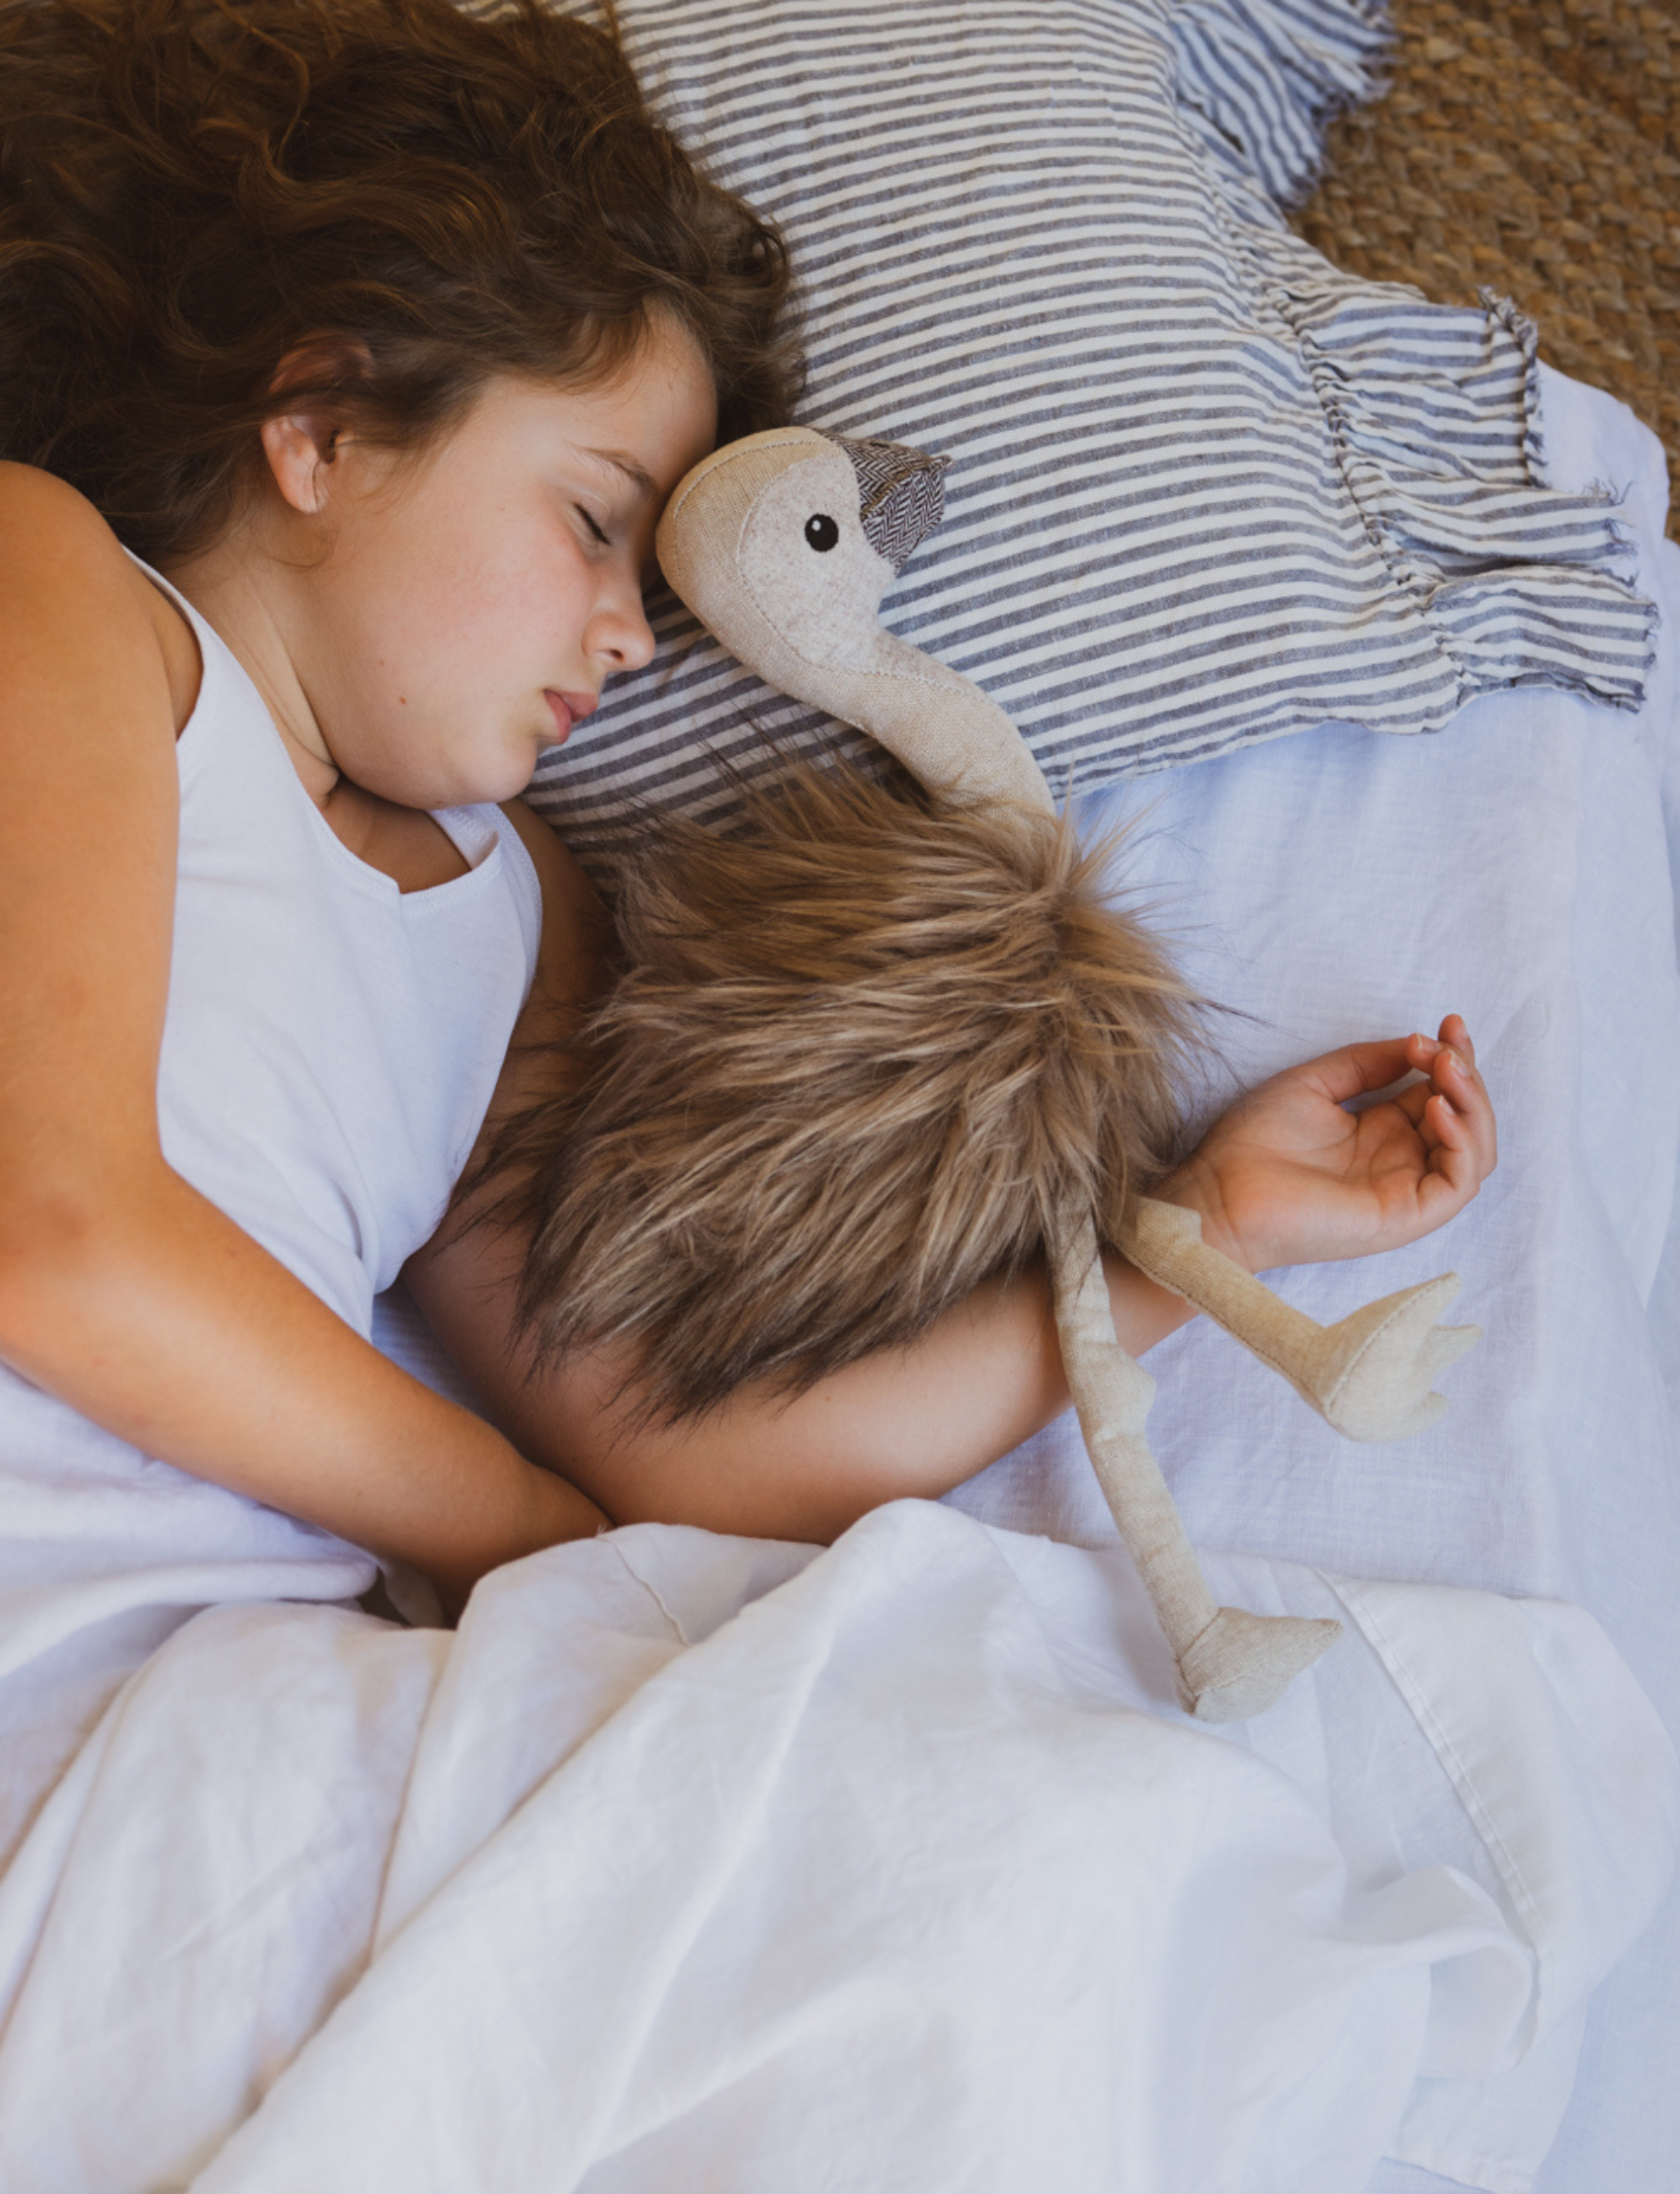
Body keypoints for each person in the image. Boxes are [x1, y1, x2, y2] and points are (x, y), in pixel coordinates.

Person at [0, 0, 1496, 1725]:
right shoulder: (70, 597)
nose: (633, 636)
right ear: (324, 425)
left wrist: (1191, 1240)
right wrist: (533, 1538)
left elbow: (688, 1447)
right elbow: (58, 1234)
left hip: (223, 1680)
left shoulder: (512, 911)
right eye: (590, 519)